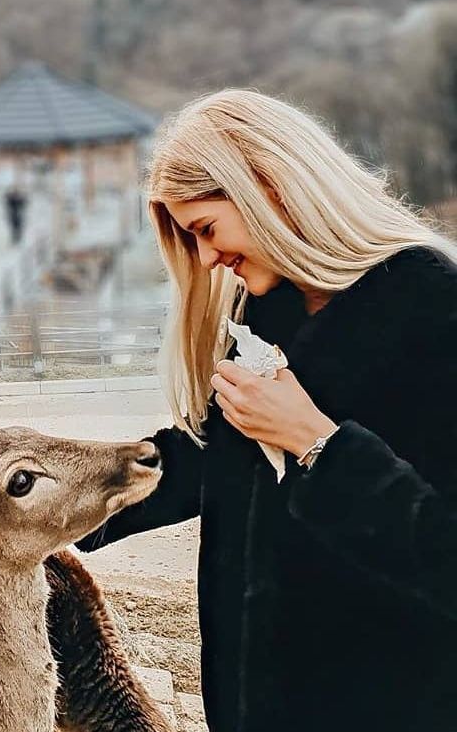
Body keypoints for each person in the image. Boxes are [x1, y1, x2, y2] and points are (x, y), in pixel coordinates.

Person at [76, 90, 457, 732]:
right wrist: (54, 498)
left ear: (268, 188)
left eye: (205, 229)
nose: (205, 260)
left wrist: (321, 448)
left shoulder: (434, 312)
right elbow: (212, 459)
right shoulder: (270, 314)